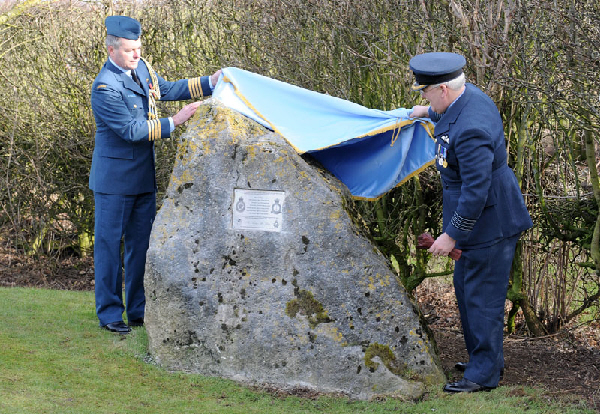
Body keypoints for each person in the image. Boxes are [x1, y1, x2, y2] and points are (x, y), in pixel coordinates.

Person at [409, 52, 533, 392]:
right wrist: (427, 113)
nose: (422, 96)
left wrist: (451, 236)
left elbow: (476, 191)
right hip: (478, 216)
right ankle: (484, 358)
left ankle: (483, 374)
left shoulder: (472, 128)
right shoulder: (465, 97)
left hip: (489, 221)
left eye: (426, 92)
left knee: (482, 299)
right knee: (467, 291)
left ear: (444, 89)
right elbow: (447, 113)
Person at [89, 16, 221, 334]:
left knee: (140, 246)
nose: (136, 54)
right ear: (112, 49)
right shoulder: (105, 86)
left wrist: (209, 83)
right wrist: (174, 122)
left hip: (141, 178)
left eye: (138, 48)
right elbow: (131, 130)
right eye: (130, 50)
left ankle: (137, 310)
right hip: (113, 182)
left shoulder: (142, 68)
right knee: (109, 246)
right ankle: (109, 313)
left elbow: (164, 89)